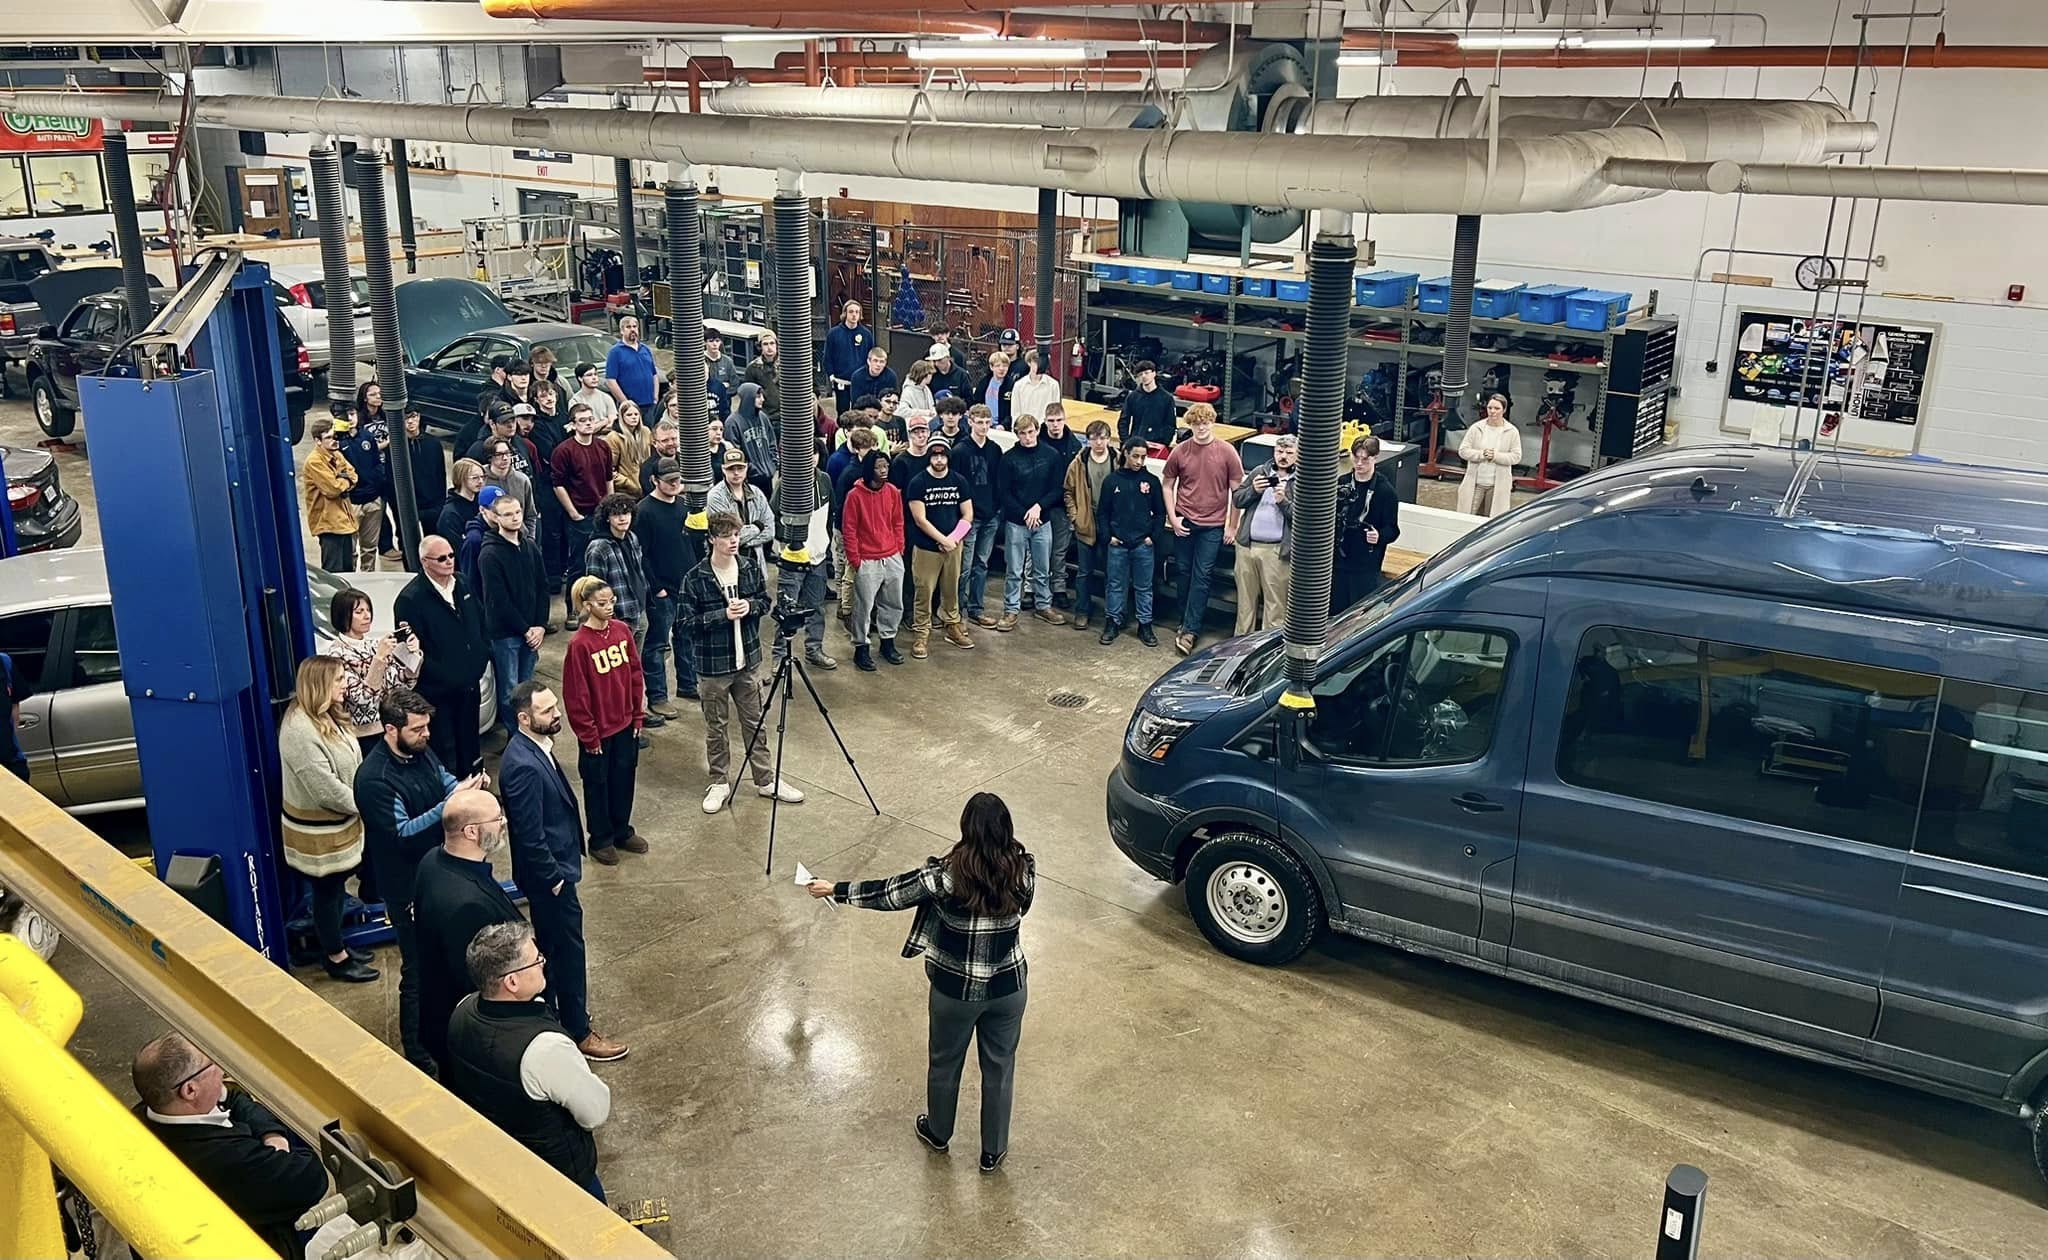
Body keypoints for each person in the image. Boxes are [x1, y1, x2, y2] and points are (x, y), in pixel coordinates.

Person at [803, 792, 1034, 1175]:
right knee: (1000, 1066)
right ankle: (993, 1150)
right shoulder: (1024, 870)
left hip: (954, 992)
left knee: (945, 1064)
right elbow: (1024, 907)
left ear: (965, 829)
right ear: (1006, 828)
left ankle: (939, 1133)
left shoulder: (944, 876)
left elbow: (889, 894)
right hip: (1009, 988)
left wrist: (836, 890)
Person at [500, 683, 631, 1059]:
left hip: (555, 872)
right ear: (524, 718)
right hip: (550, 880)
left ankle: (556, 1016)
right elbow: (529, 834)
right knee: (568, 953)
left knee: (557, 950)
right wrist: (555, 880)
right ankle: (578, 1030)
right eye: (546, 711)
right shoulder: (522, 764)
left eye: (555, 706)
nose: (556, 714)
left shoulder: (535, 747)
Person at [354, 688, 479, 1070]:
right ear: (391, 730)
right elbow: (402, 833)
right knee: (417, 967)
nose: (426, 734)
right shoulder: (375, 779)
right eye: (418, 728)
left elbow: (442, 778)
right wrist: (449, 807)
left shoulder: (421, 750)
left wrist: (459, 790)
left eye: (427, 726)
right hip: (406, 886)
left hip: (438, 871)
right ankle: (417, 1049)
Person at [445, 922, 613, 1202]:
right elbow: (595, 1111)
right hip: (559, 1175)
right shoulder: (544, 1049)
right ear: (512, 982)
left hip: (502, 1161)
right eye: (536, 961)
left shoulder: (463, 1011)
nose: (542, 964)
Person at [132, 1032, 329, 1260]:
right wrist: (278, 1146)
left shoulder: (149, 1113)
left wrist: (273, 1135)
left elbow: (234, 1098)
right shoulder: (226, 1158)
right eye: (212, 1063)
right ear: (190, 1090)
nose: (222, 1069)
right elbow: (313, 1177)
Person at [687, 512, 803, 813]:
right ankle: (719, 782)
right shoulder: (696, 578)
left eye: (736, 535)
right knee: (716, 727)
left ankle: (765, 780)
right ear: (712, 539)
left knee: (756, 722)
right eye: (726, 536)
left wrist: (750, 606)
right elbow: (684, 624)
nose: (733, 541)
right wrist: (721, 615)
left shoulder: (749, 569)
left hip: (747, 661)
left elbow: (765, 603)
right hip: (713, 667)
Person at [279, 655, 377, 983]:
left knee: (335, 890)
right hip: (319, 832)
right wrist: (368, 805)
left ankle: (338, 944)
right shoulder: (299, 730)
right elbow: (326, 791)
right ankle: (335, 957)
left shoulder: (328, 715)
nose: (345, 683)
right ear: (319, 685)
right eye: (338, 679)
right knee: (327, 893)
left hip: (342, 824)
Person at [412, 787, 521, 1075]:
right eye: (497, 819)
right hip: (470, 1040)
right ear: (472, 831)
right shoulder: (468, 905)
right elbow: (477, 983)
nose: (504, 823)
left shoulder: (432, 860)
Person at [560, 576, 648, 859]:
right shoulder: (580, 645)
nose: (610, 607)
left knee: (624, 778)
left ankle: (622, 830)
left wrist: (637, 715)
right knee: (598, 784)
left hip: (624, 724)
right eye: (602, 603)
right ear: (586, 605)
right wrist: (588, 734)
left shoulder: (622, 631)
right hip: (598, 731)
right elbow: (576, 695)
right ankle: (600, 839)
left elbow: (635, 674)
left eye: (612, 601)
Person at [395, 534, 490, 779]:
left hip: (470, 685)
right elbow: (410, 653)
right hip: (439, 694)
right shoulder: (410, 600)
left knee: (471, 743)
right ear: (425, 562)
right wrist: (448, 677)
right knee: (444, 749)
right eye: (441, 558)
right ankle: (450, 799)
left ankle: (475, 788)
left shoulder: (463, 583)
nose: (449, 561)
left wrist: (481, 657)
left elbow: (480, 622)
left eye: (451, 555)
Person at [1162, 403, 1244, 656]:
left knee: (1202, 574)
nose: (1201, 428)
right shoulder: (1180, 452)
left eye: (1206, 422)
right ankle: (1185, 619)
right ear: (1190, 425)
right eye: (1196, 424)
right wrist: (1173, 517)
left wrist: (1231, 525)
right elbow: (1167, 484)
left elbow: (1237, 492)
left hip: (1213, 526)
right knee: (1184, 571)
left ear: (1213, 423)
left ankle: (1190, 630)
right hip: (1186, 521)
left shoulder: (1227, 452)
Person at [478, 490, 548, 737]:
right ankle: (514, 736)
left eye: (518, 512)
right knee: (510, 689)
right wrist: (526, 629)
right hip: (507, 634)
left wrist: (540, 624)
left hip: (532, 631)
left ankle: (529, 733)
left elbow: (542, 585)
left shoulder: (529, 546)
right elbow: (499, 600)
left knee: (527, 689)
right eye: (508, 514)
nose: (515, 518)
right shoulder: (489, 554)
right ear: (496, 518)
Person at [635, 458, 700, 719]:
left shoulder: (684, 507)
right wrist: (656, 587)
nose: (675, 485)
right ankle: (658, 696)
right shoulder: (644, 511)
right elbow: (642, 554)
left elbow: (694, 545)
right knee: (657, 645)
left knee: (686, 639)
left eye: (678, 480)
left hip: (686, 588)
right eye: (669, 481)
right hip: (662, 592)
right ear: (654, 480)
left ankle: (687, 683)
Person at [323, 586, 418, 756]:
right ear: (343, 614)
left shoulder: (374, 644)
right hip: (363, 736)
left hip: (390, 726)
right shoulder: (336, 654)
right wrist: (379, 659)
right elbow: (362, 698)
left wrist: (414, 657)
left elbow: (402, 685)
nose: (367, 616)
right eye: (359, 611)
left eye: (368, 610)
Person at [905, 435, 975, 658]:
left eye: (942, 454)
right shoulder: (918, 482)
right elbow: (920, 519)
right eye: (934, 455)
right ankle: (921, 634)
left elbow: (968, 513)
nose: (938, 459)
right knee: (924, 591)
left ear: (948, 457)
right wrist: (942, 540)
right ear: (929, 457)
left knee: (951, 589)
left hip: (954, 546)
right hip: (927, 548)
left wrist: (953, 538)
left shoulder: (959, 481)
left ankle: (952, 626)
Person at [996, 414, 1066, 631]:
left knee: (1043, 568)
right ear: (1017, 435)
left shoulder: (1051, 455)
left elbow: (1056, 489)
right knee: (1014, 570)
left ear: (1037, 430)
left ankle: (1044, 605)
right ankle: (1011, 610)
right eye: (1022, 433)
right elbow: (1004, 493)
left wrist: (1038, 507)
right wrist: (1025, 512)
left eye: (1030, 432)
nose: (1027, 437)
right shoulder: (1008, 459)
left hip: (1043, 521)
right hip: (1017, 523)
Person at [771, 440, 836, 672]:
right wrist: (788, 544)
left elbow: (830, 516)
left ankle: (814, 649)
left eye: (815, 453)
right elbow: (773, 516)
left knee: (816, 607)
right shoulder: (786, 483)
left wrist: (825, 546)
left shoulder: (825, 480)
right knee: (786, 608)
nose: (812, 457)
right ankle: (778, 656)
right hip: (793, 559)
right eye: (807, 453)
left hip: (818, 557)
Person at [552, 403, 618, 630]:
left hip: (602, 513)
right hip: (579, 514)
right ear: (572, 425)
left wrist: (612, 506)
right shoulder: (564, 450)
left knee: (605, 562)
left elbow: (609, 479)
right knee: (579, 564)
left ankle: (603, 606)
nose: (588, 423)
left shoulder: (602, 446)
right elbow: (558, 485)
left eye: (591, 418)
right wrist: (573, 512)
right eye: (582, 420)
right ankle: (573, 608)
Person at [1096, 435, 1167, 646]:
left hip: (1142, 545)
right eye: (1135, 456)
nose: (1139, 461)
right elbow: (1102, 513)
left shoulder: (1151, 482)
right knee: (1115, 585)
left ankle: (1145, 624)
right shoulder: (1112, 481)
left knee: (1144, 587)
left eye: (1143, 457)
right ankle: (1112, 621)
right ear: (1125, 453)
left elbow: (1160, 514)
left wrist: (1151, 538)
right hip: (1118, 545)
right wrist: (1109, 537)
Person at [842, 448, 907, 671]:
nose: (883, 471)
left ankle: (887, 642)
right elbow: (849, 529)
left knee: (893, 603)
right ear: (870, 469)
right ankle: (861, 647)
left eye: (886, 466)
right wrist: (856, 559)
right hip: (866, 559)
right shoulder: (854, 496)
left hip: (892, 556)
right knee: (864, 607)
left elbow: (898, 522)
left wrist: (899, 548)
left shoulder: (892, 492)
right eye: (879, 467)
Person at [1231, 434, 1297, 634]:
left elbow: (1305, 518)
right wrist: (1253, 490)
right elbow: (1237, 500)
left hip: (1276, 552)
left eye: (1288, 452)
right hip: (1247, 547)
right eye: (1279, 451)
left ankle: (1267, 655)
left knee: (1275, 607)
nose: (1283, 456)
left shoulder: (1302, 480)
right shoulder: (1260, 472)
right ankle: (1239, 650)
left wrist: (1283, 501)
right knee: (1245, 605)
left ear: (1298, 455)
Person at [1334, 433, 1401, 613]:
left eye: (1365, 459)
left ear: (1375, 458)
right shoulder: (1342, 483)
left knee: (1358, 614)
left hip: (1365, 565)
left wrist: (1379, 536)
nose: (1359, 464)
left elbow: (1393, 530)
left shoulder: (1385, 492)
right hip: (1339, 561)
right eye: (1356, 458)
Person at [1062, 419, 1116, 632]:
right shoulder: (1079, 462)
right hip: (1086, 522)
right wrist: (1075, 516)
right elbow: (1068, 490)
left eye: (1103, 438)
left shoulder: (1117, 459)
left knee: (1112, 572)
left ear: (1109, 439)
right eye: (1094, 438)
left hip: (1111, 524)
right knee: (1084, 572)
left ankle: (1112, 614)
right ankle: (1082, 611)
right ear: (1088, 440)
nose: (1099, 443)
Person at [953, 405, 1004, 626]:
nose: (984, 427)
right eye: (979, 422)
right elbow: (956, 485)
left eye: (987, 422)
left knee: (981, 564)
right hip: (968, 518)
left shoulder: (995, 449)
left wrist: (997, 509)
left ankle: (975, 608)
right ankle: (955, 609)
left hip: (991, 515)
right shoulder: (960, 450)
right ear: (970, 421)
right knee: (963, 566)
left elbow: (999, 481)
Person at [828, 426, 880, 614]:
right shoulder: (850, 473)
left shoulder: (873, 468)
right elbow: (840, 504)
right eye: (867, 447)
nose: (872, 450)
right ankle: (844, 604)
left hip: (865, 528)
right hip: (845, 527)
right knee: (844, 564)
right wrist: (844, 529)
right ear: (857, 449)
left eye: (874, 445)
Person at [1037, 402, 1082, 609]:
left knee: (1059, 550)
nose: (1055, 425)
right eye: (1051, 421)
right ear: (1045, 421)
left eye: (1059, 421)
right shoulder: (1036, 443)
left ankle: (1059, 588)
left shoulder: (1075, 447)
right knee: (1036, 550)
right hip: (1040, 505)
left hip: (1063, 506)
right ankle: (1036, 589)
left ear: (1065, 420)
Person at [304, 415, 360, 573]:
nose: (334, 440)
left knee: (348, 569)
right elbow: (332, 489)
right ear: (317, 441)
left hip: (345, 522)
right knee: (334, 571)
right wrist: (344, 481)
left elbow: (354, 475)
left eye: (335, 436)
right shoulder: (314, 462)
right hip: (328, 525)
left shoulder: (337, 455)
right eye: (328, 437)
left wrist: (344, 480)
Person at [335, 412, 388, 572]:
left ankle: (368, 576)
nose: (350, 419)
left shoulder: (367, 436)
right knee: (350, 550)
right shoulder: (337, 441)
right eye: (345, 416)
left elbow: (377, 462)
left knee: (370, 547)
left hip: (372, 499)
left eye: (352, 414)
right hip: (351, 502)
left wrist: (377, 485)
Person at [1457, 392, 1522, 518]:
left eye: (1497, 408)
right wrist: (1481, 454)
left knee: (1491, 521)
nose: (1492, 411)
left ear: (1504, 410)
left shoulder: (1512, 431)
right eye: (1490, 408)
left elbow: (1516, 456)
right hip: (1476, 484)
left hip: (1497, 487)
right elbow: (1463, 450)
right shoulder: (1476, 428)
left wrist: (1496, 456)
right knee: (1467, 517)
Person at [481, 441, 539, 546]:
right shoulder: (481, 480)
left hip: (521, 540)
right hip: (491, 542)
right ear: (490, 457)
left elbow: (531, 515)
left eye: (508, 453)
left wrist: (530, 540)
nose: (505, 458)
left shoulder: (522, 480)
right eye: (499, 454)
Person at [822, 300, 875, 412]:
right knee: (843, 412)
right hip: (841, 380)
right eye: (851, 312)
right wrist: (831, 375)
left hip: (861, 381)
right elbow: (827, 356)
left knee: (860, 411)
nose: (854, 314)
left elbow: (871, 356)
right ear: (845, 313)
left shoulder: (867, 334)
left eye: (857, 312)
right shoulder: (834, 333)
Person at [403, 408, 447, 536]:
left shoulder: (433, 443)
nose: (410, 421)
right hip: (408, 502)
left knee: (433, 536)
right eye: (406, 418)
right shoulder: (396, 446)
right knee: (407, 538)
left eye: (414, 416)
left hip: (432, 501)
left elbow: (440, 474)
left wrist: (440, 501)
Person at [729, 380, 778, 494]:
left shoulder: (763, 417)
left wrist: (773, 464)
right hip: (748, 481)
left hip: (767, 477)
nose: (762, 399)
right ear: (748, 398)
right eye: (758, 396)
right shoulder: (733, 422)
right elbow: (735, 452)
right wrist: (750, 470)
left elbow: (772, 442)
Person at [1117, 359, 1176, 453]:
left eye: (1146, 373)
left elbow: (1170, 425)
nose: (1144, 376)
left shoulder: (1167, 398)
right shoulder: (1133, 397)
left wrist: (1164, 444)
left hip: (1157, 446)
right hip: (1136, 444)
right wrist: (1126, 442)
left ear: (1154, 373)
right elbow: (1123, 421)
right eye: (1140, 374)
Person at [604, 315, 659, 412]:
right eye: (628, 327)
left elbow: (654, 374)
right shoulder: (615, 352)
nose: (632, 329)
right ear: (621, 331)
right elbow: (611, 381)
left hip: (649, 405)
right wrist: (626, 403)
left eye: (634, 326)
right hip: (630, 407)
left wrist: (655, 396)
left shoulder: (645, 349)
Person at [605, 400, 652, 498]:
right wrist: (629, 484)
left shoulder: (646, 432)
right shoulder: (613, 437)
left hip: (648, 487)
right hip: (626, 491)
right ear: (622, 417)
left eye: (636, 414)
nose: (634, 417)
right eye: (629, 415)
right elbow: (610, 469)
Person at [438, 458, 485, 549]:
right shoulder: (450, 514)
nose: (480, 481)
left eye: (482, 477)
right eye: (475, 478)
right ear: (461, 478)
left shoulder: (481, 501)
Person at [1011, 348, 1060, 430]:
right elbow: (1015, 412)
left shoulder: (1053, 385)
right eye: (1036, 362)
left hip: (1045, 430)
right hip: (1024, 429)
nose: (1040, 365)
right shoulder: (1019, 385)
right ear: (1029, 363)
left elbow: (1055, 411)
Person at [744, 329, 782, 423]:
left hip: (786, 414)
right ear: (760, 346)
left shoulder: (787, 364)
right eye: (765, 344)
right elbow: (750, 395)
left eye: (772, 343)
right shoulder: (753, 368)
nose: (769, 347)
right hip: (765, 417)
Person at [973, 351, 1016, 429]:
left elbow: (1013, 410)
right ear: (991, 367)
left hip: (1002, 427)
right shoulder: (984, 383)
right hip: (984, 425)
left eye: (1005, 366)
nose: (1001, 369)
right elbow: (976, 403)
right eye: (997, 366)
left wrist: (1004, 425)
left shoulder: (1012, 385)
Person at [571, 361, 618, 430]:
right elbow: (582, 428)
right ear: (580, 378)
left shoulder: (606, 397)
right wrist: (604, 421)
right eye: (589, 375)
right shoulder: (575, 401)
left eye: (595, 374)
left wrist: (598, 426)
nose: (594, 378)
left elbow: (613, 424)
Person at [704, 328, 738, 419]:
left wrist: (722, 393)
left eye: (717, 341)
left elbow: (734, 385)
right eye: (711, 341)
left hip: (724, 409)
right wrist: (722, 386)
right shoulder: (700, 361)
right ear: (705, 342)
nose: (714, 344)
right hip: (705, 408)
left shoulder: (727, 361)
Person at [896, 357, 936, 424]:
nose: (932, 376)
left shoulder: (926, 389)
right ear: (924, 375)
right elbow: (901, 411)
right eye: (930, 374)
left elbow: (932, 407)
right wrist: (925, 413)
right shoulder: (908, 391)